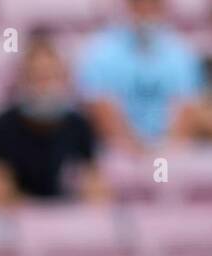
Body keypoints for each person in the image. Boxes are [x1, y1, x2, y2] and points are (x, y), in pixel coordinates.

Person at [0, 33, 108, 206]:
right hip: (17, 217)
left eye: (50, 77)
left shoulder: (79, 125)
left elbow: (94, 182)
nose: (44, 86)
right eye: (37, 77)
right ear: (23, 80)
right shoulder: (2, 126)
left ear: (64, 79)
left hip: (67, 220)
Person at [76, 0, 201, 150]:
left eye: (153, 4)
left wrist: (165, 152)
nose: (146, 10)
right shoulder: (100, 51)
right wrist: (132, 148)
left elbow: (188, 106)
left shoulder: (181, 52)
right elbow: (98, 105)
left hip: (169, 152)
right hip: (116, 152)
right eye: (139, 4)